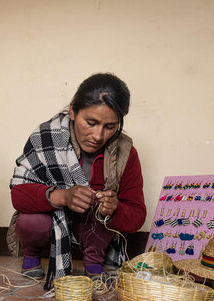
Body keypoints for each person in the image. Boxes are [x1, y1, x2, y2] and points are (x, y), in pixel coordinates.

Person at [8, 73, 146, 288]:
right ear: (73, 111)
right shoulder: (46, 137)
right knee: (30, 222)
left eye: (110, 127)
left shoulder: (125, 152)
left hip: (92, 232)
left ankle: (94, 260)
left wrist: (114, 209)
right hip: (51, 223)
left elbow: (137, 215)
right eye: (90, 123)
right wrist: (62, 196)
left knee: (101, 211)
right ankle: (32, 253)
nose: (98, 135)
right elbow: (18, 195)